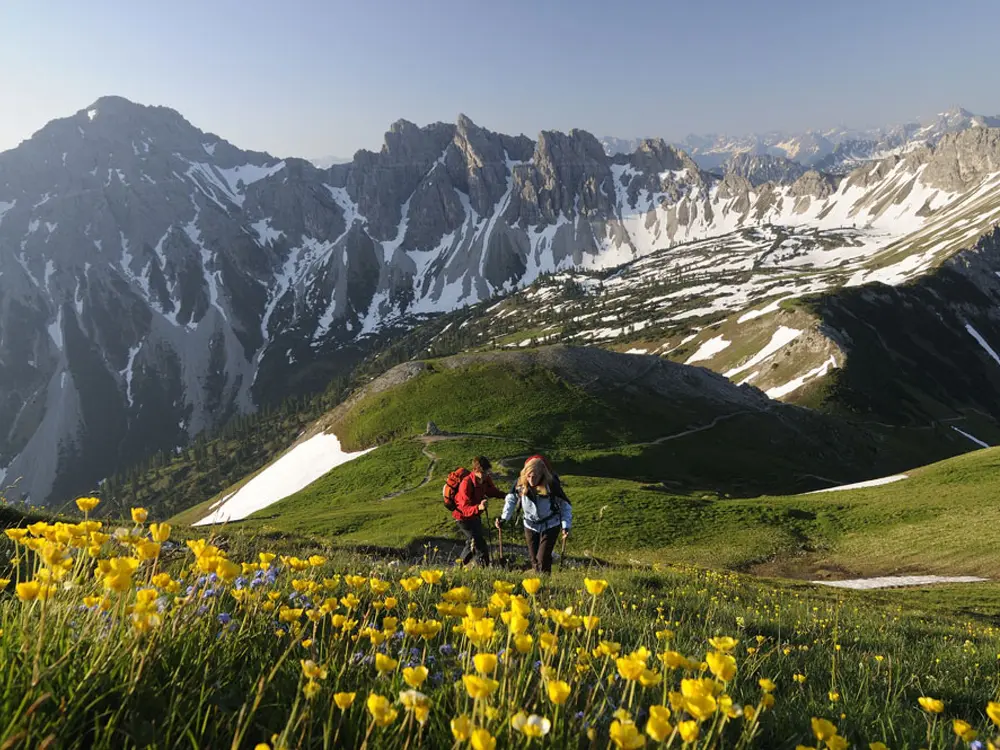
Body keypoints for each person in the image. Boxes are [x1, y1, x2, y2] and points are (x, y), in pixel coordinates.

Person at [496, 456, 571, 573]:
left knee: (542, 559)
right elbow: (511, 500)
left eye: (534, 476)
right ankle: (540, 581)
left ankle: (543, 582)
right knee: (534, 559)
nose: (531, 479)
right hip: (530, 525)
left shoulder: (551, 484)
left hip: (550, 524)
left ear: (542, 474)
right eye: (528, 476)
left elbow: (565, 505)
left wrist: (565, 525)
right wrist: (504, 518)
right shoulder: (520, 484)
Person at [453, 456, 504, 567]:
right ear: (475, 470)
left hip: (475, 516)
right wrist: (479, 508)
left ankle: (458, 567)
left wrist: (507, 495)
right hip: (463, 518)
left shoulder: (485, 479)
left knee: (472, 541)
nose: (486, 475)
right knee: (478, 542)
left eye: (487, 472)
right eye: (483, 473)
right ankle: (483, 567)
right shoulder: (466, 484)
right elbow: (464, 509)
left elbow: (492, 491)